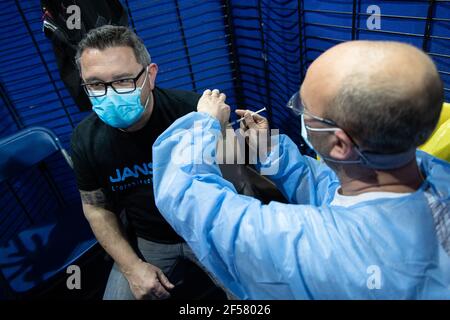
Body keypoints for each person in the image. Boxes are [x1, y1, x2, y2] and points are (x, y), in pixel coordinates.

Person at [152, 41, 450, 299]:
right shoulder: (432, 175)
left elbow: (187, 195)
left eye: (304, 109)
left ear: (340, 143)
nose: (299, 113)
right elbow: (331, 189)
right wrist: (269, 149)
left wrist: (202, 123)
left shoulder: (307, 244)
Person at [71, 25, 243, 300]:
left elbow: (239, 181)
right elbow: (95, 208)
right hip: (150, 240)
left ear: (150, 75)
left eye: (124, 80)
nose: (110, 94)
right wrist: (131, 267)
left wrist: (221, 133)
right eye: (95, 84)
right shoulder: (85, 139)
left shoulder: (194, 112)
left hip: (209, 232)